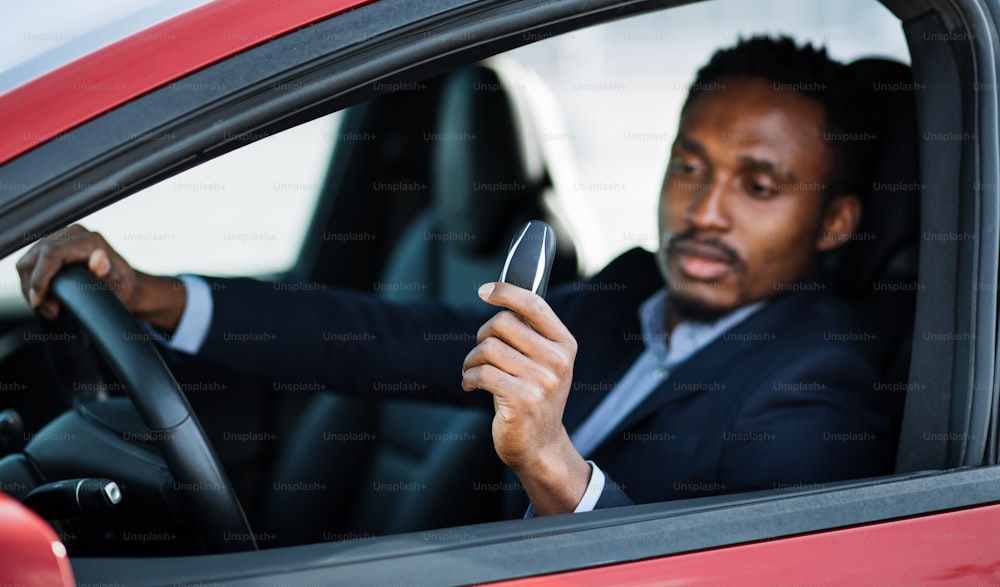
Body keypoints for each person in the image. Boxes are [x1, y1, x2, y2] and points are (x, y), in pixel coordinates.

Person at [17, 37, 893, 518]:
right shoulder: (629, 298)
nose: (705, 210)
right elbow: (381, 338)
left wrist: (554, 464)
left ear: (837, 222)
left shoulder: (819, 387)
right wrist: (154, 294)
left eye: (760, 184)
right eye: (690, 167)